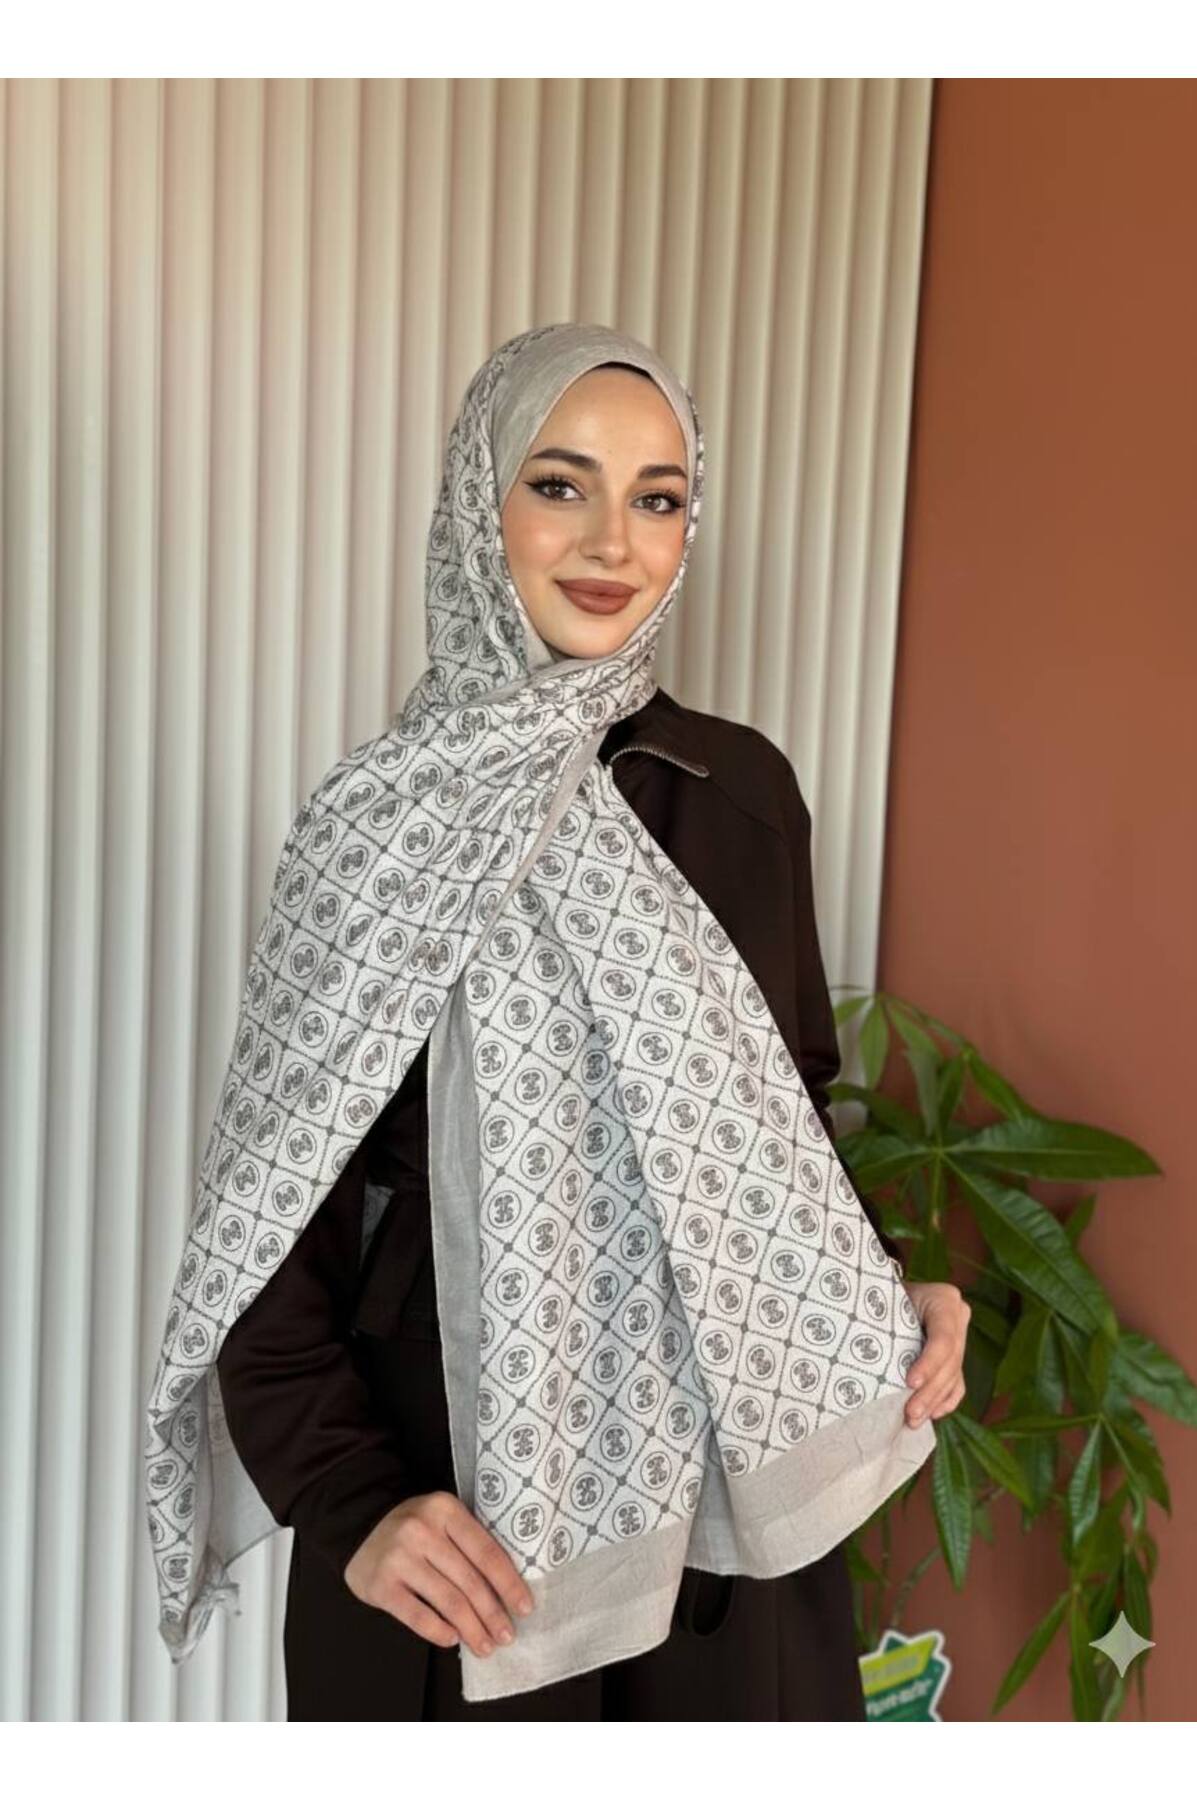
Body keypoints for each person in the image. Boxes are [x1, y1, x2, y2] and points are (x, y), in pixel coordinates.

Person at [152, 322, 969, 1720]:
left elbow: (783, 1128)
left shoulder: (739, 792)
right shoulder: (379, 823)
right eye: (558, 484)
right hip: (456, 1499)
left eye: (658, 497)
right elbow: (266, 1223)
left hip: (728, 1487)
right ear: (480, 505)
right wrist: (354, 1506)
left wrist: (886, 1291)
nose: (611, 541)